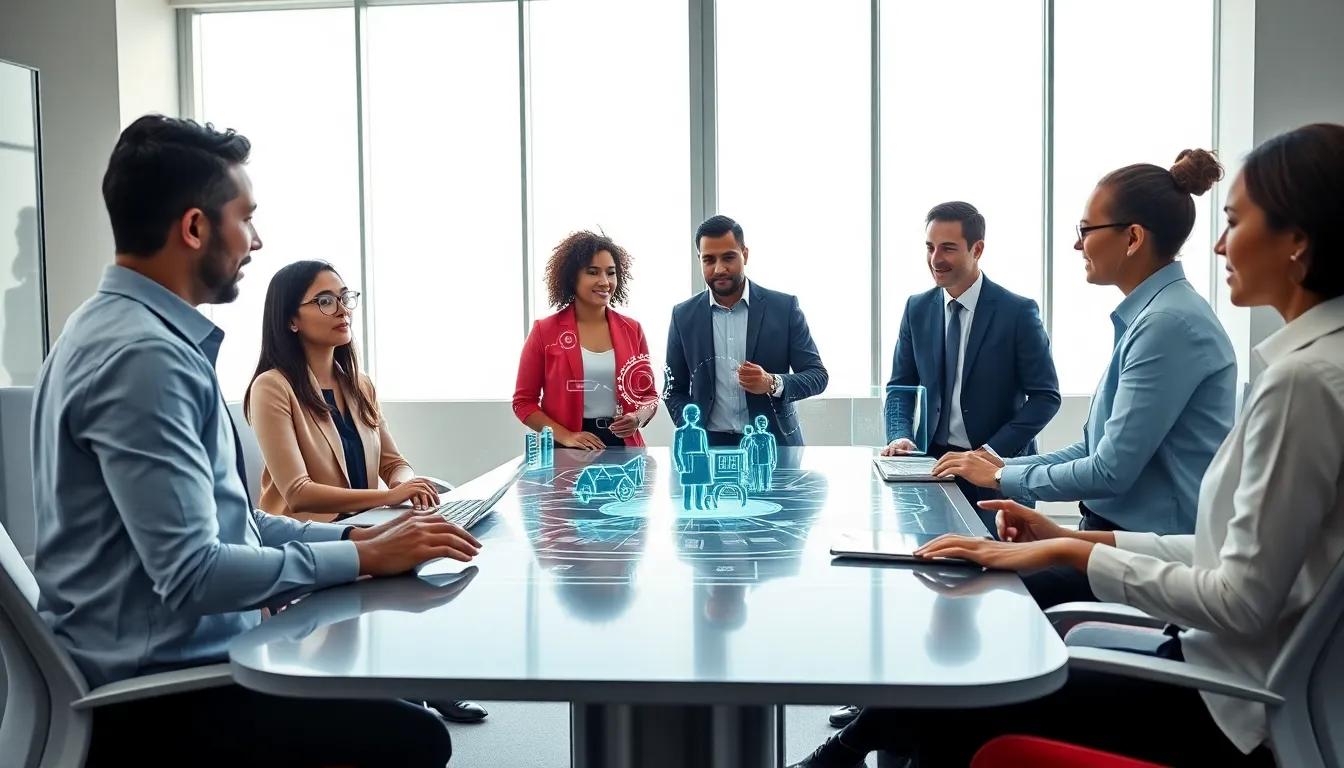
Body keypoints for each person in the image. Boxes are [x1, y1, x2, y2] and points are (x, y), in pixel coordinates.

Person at [790, 121, 1344, 768]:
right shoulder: (1296, 363)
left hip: (1222, 699)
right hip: (1219, 662)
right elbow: (1225, 554)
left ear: (1297, 242)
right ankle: (855, 744)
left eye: (1235, 222)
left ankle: (848, 748)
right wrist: (1072, 543)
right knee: (974, 624)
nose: (1219, 245)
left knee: (962, 683)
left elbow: (1236, 596)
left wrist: (1065, 544)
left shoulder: (1296, 378)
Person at [31, 114, 479, 767]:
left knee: (397, 715)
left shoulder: (120, 333)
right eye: (246, 217)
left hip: (180, 669)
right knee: (412, 738)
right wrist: (360, 559)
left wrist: (360, 541)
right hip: (155, 702)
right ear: (194, 227)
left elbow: (235, 526)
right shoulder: (143, 358)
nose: (257, 239)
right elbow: (193, 573)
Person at [932, 150, 1238, 609]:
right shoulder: (1153, 317)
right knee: (969, 574)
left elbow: (1110, 470)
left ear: (1132, 238)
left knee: (976, 592)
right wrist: (1004, 472)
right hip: (1114, 537)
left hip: (1150, 560)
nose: (1078, 245)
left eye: (1086, 230)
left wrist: (1001, 475)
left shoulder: (1168, 325)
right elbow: (1095, 449)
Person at [244, 258, 488, 725]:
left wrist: (406, 485)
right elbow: (298, 494)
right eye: (324, 300)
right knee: (403, 550)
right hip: (309, 533)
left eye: (345, 297)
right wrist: (388, 499)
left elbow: (394, 463)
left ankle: (420, 681)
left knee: (430, 539)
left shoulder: (357, 384)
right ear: (290, 319)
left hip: (366, 523)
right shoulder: (272, 387)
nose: (342, 309)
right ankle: (413, 689)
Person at [882, 202, 1060, 508]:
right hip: (933, 465)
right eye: (930, 247)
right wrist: (900, 436)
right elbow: (900, 388)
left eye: (948, 248)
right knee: (934, 554)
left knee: (996, 554)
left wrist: (989, 452)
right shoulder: (916, 308)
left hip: (996, 469)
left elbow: (1046, 397)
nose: (935, 259)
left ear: (976, 250)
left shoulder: (1017, 312)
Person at [665, 214, 828, 447]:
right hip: (709, 447)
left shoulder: (784, 308)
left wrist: (772, 383)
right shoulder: (682, 316)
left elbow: (817, 376)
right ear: (699, 260)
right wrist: (691, 430)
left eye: (728, 257)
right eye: (709, 260)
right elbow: (673, 390)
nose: (719, 268)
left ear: (746, 255)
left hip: (773, 443)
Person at [514, 230, 659, 449]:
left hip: (623, 446)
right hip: (565, 448)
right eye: (593, 272)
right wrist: (566, 436)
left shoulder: (632, 329)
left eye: (611, 273)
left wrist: (637, 418)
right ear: (572, 277)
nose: (605, 282)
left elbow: (649, 395)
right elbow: (523, 403)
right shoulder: (544, 331)